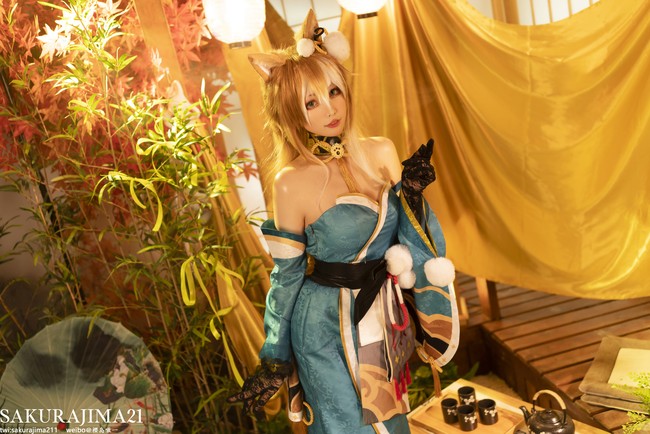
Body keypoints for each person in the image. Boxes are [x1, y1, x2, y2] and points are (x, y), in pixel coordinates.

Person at [227, 10, 460, 434]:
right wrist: (274, 357)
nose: (330, 109)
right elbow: (286, 278)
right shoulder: (290, 182)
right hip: (323, 329)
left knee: (391, 423)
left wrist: (411, 195)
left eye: (334, 91)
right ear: (292, 114)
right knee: (347, 427)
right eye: (311, 102)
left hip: (381, 314)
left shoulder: (381, 151)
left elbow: (413, 242)